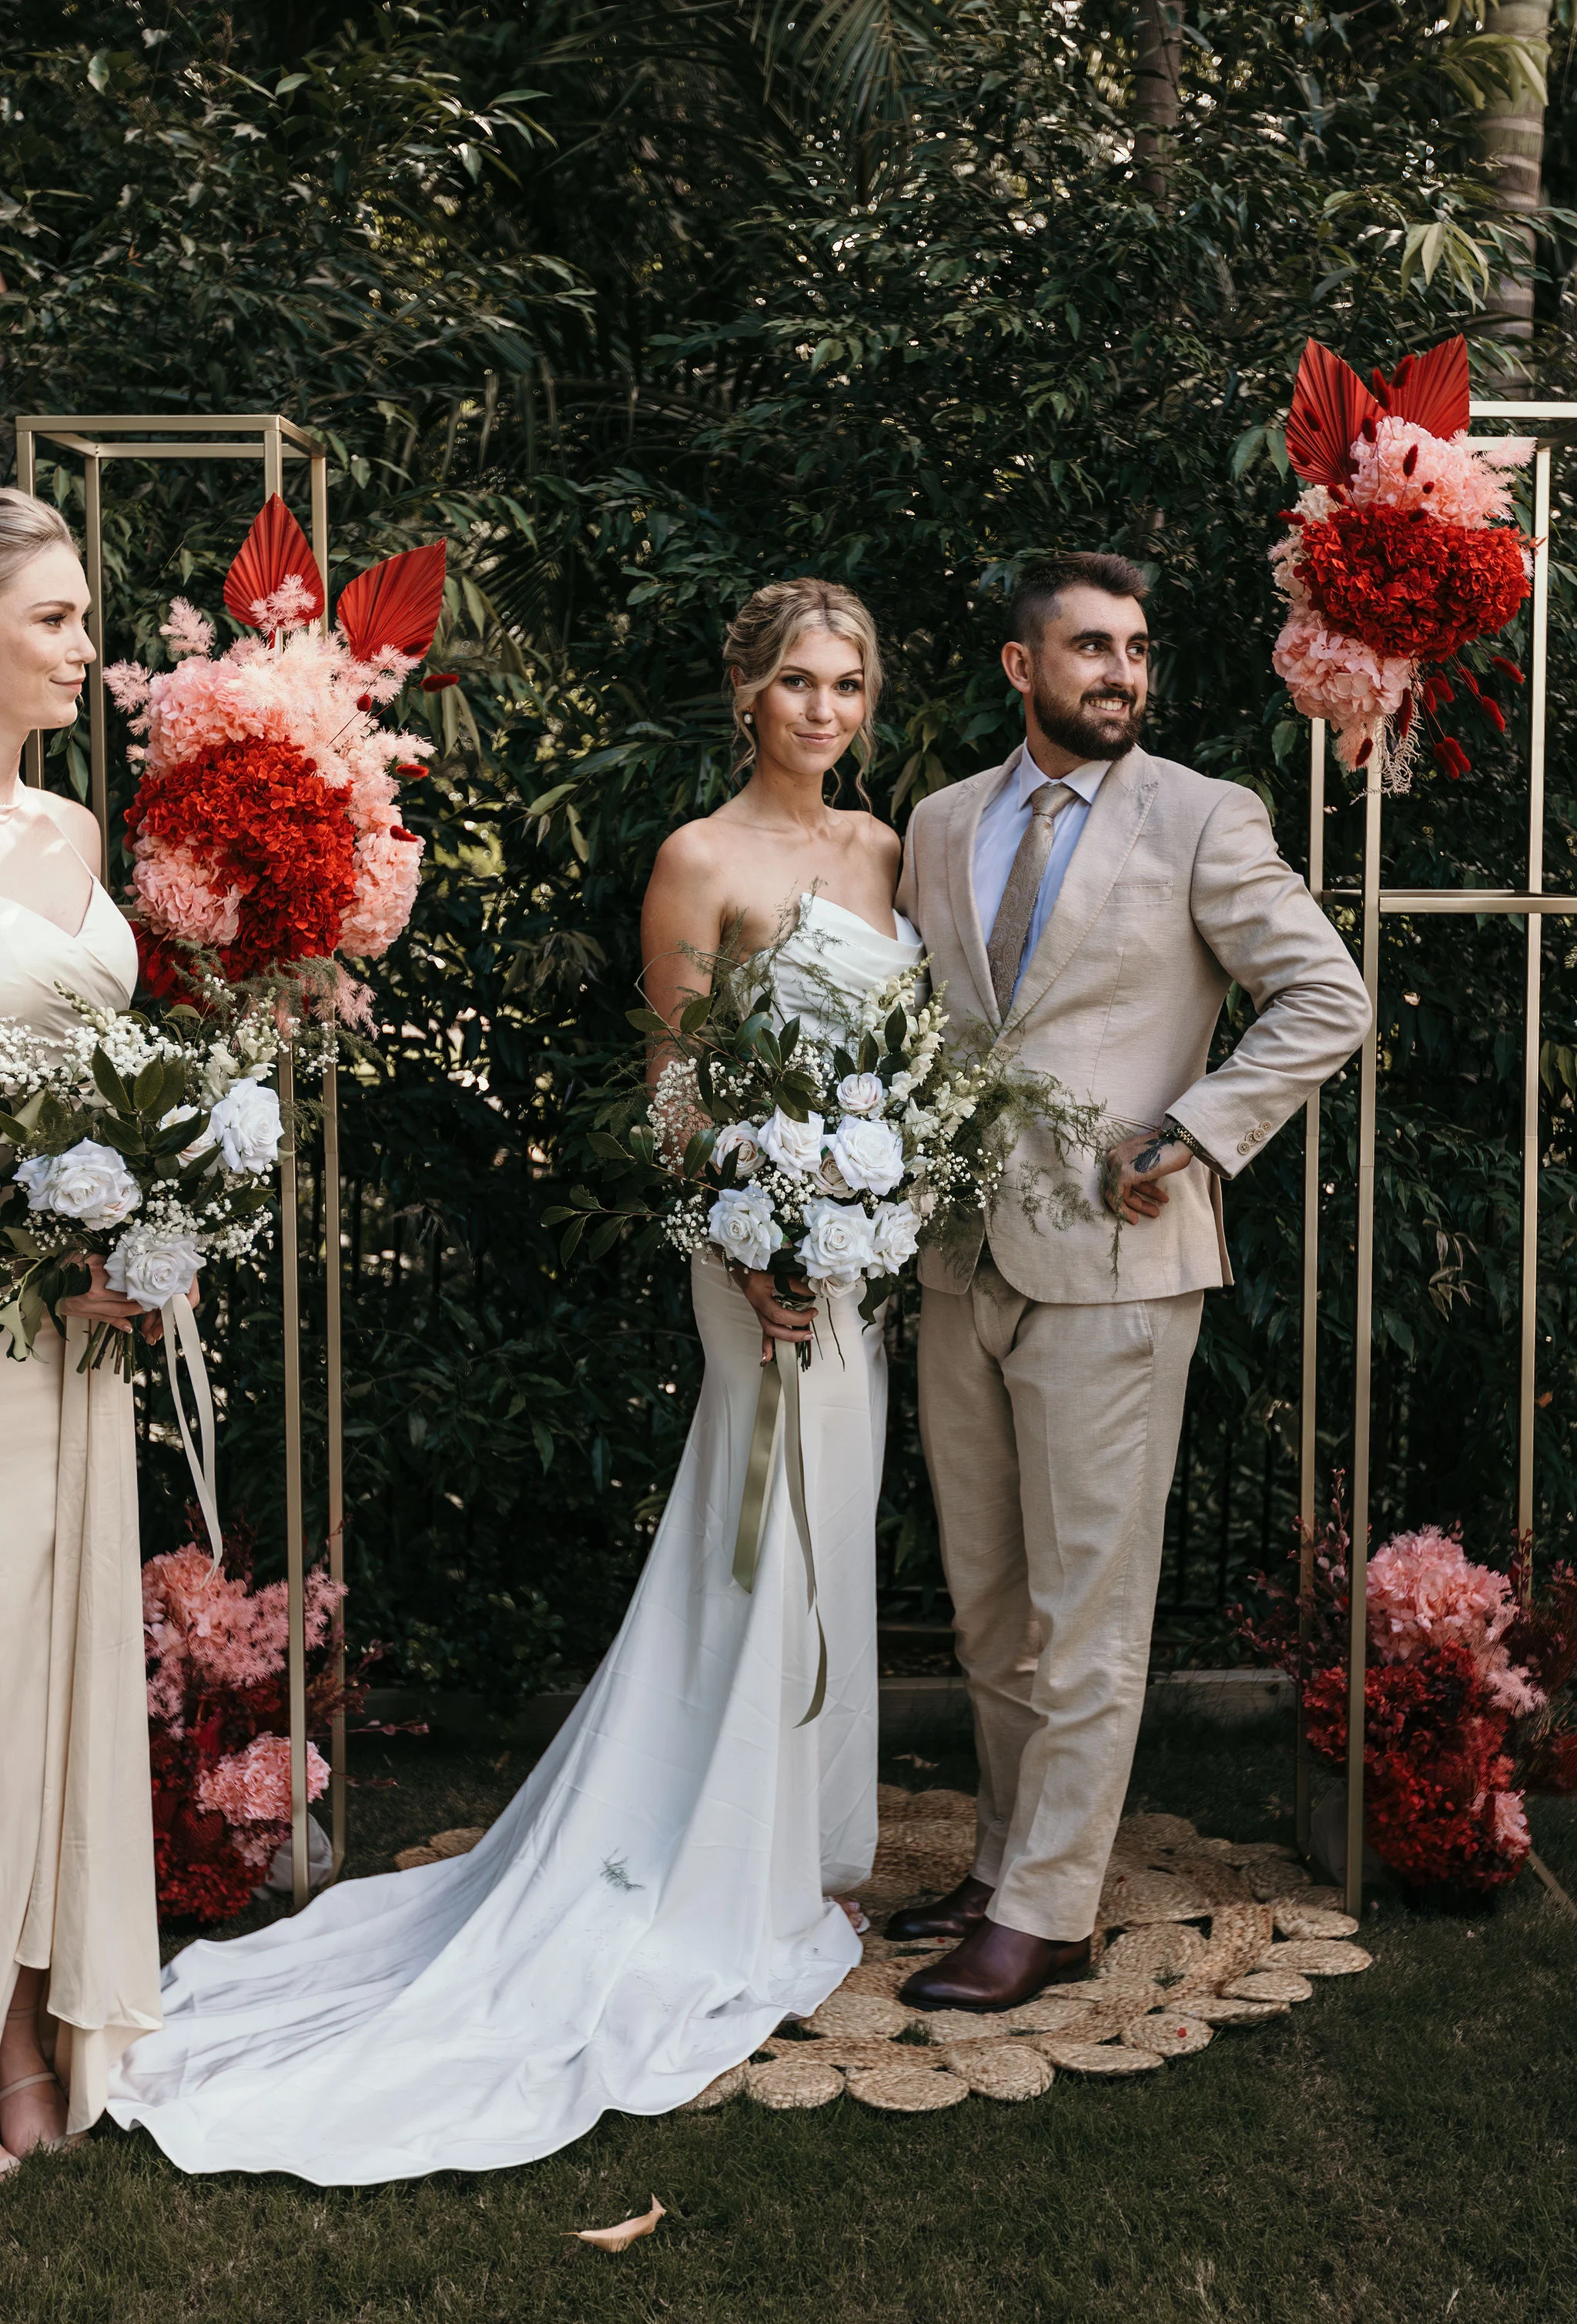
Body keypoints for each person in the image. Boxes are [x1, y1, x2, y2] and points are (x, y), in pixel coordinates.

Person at [107, 577, 916, 2182]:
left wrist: (873, 1194)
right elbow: (679, 1088)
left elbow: (902, 1057)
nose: (826, 712)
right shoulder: (698, 858)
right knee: (760, 1517)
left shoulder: (887, 854)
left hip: (860, 1244)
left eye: (850, 685)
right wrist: (748, 1236)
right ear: (745, 694)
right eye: (799, 685)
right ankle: (724, 1871)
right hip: (747, 1244)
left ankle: (801, 1838)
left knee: (834, 1514)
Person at [892, 551, 1371, 2011]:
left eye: (1139, 649)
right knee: (987, 1596)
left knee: (1088, 1604)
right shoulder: (937, 822)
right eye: (1091, 648)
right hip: (960, 1252)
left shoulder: (1206, 817)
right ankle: (1001, 1860)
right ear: (1019, 668)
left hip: (1117, 1255)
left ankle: (1052, 1910)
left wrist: (1198, 1132)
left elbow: (1326, 996)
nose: (1123, 673)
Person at [0, 488, 164, 2169]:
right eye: (55, 618)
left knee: (57, 1655)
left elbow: (108, 1079)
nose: (84, 646)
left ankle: (49, 2008)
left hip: (81, 1323)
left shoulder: (70, 836)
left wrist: (137, 1220)